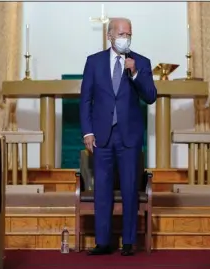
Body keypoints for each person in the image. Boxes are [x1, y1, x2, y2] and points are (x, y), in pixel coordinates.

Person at [79, 18, 157, 256]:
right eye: (122, 33)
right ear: (110, 36)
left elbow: (151, 96)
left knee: (130, 189)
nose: (126, 38)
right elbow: (86, 99)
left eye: (129, 34)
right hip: (102, 136)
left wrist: (135, 74)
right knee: (102, 189)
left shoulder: (141, 62)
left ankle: (129, 241)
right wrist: (88, 131)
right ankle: (103, 242)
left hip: (129, 137)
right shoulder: (94, 62)